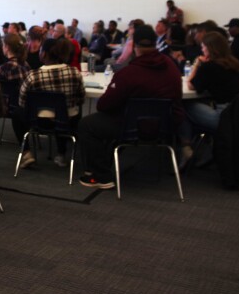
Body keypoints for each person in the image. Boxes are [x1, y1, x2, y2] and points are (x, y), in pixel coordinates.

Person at [78, 25, 184, 189]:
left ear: (134, 46)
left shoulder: (129, 73)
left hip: (132, 127)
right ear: (156, 43)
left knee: (88, 124)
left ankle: (100, 175)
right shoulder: (171, 68)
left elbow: (104, 105)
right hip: (166, 126)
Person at [180, 32, 239, 164]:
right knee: (195, 109)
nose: (202, 50)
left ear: (210, 48)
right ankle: (206, 148)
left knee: (183, 106)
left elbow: (191, 84)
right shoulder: (234, 63)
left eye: (203, 47)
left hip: (223, 117)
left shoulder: (209, 67)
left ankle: (185, 146)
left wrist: (197, 64)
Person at [18, 38, 85, 168]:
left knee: (17, 113)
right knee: (64, 112)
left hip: (39, 121)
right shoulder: (74, 73)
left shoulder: (33, 75)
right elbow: (81, 99)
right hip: (68, 121)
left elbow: (22, 101)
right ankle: (61, 154)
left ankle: (27, 153)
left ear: (43, 53)